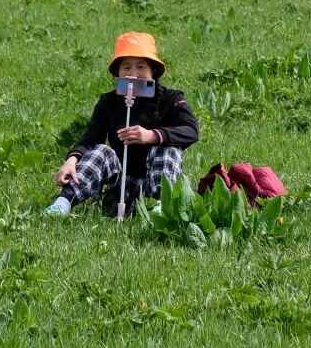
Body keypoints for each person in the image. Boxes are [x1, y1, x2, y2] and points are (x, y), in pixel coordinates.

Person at [45, 31, 199, 217]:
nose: (133, 74)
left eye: (141, 67)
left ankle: (162, 205)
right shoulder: (109, 102)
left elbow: (191, 130)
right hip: (120, 184)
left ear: (153, 71)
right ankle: (62, 204)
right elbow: (91, 139)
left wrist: (151, 136)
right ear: (118, 72)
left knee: (168, 149)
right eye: (126, 68)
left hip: (155, 180)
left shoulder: (171, 98)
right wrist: (71, 161)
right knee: (102, 151)